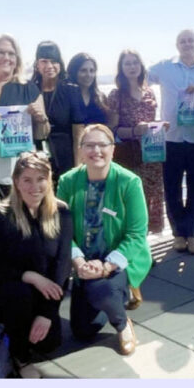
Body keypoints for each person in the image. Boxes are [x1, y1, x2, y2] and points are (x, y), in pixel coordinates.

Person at [56, 124, 152, 355]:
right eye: (89, 145)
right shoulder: (68, 181)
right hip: (85, 261)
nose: (96, 150)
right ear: (80, 151)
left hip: (119, 258)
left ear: (113, 150)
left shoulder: (129, 182)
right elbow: (60, 228)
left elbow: (137, 234)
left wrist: (107, 266)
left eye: (102, 145)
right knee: (82, 331)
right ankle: (111, 295)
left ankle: (122, 324)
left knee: (103, 290)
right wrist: (79, 263)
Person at [0, 151, 72, 376]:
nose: (34, 187)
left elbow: (62, 267)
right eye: (27, 180)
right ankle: (20, 357)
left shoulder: (62, 213)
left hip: (42, 293)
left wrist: (47, 313)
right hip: (1, 290)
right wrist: (29, 276)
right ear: (16, 182)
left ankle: (19, 329)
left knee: (49, 344)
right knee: (20, 296)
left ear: (50, 181)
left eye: (40, 179)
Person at [148, 29, 194, 255]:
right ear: (177, 45)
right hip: (172, 137)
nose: (187, 44)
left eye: (191, 40)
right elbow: (139, 77)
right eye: (182, 41)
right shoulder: (164, 66)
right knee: (172, 187)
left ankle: (193, 234)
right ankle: (179, 233)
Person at [0, 34, 50, 197]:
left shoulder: (28, 89)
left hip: (21, 173)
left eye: (11, 54)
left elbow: (43, 133)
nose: (7, 58)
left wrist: (41, 119)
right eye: (0, 52)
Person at [107, 50, 167, 234]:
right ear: (121, 68)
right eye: (127, 64)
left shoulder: (149, 92)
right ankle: (130, 245)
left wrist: (160, 126)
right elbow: (112, 130)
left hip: (151, 156)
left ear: (141, 67)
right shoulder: (116, 95)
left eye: (135, 63)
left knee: (150, 199)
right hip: (130, 157)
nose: (132, 67)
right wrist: (134, 131)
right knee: (131, 201)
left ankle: (144, 245)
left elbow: (150, 123)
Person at [31, 41, 85, 182]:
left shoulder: (71, 91)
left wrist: (78, 168)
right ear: (37, 65)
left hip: (65, 157)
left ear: (60, 64)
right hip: (38, 158)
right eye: (44, 61)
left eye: (54, 61)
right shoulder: (30, 91)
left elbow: (78, 132)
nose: (49, 66)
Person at [68, 52, 109, 125]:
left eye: (92, 71)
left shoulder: (101, 98)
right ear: (74, 72)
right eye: (83, 70)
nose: (88, 75)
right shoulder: (65, 97)